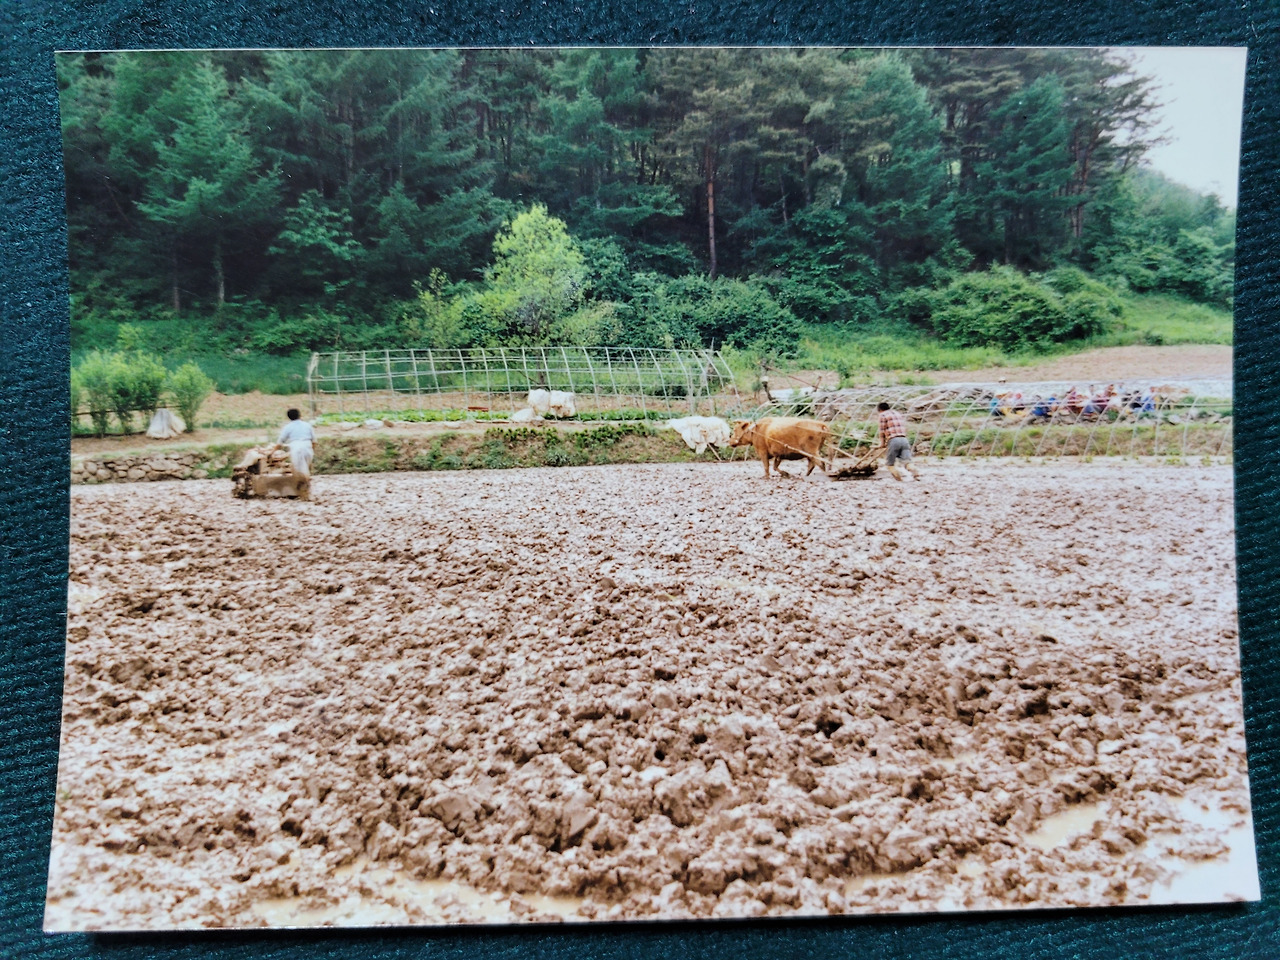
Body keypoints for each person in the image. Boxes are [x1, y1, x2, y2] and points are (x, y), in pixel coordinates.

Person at [876, 401, 921, 481]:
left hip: (893, 440)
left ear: (880, 409)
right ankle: (916, 474)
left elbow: (882, 431)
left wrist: (882, 443)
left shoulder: (882, 415)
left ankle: (900, 481)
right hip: (904, 440)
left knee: (890, 465)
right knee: (907, 462)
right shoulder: (897, 413)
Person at [274, 408, 316, 482]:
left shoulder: (288, 427)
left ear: (289, 417)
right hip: (307, 446)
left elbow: (280, 442)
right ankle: (306, 487)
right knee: (306, 468)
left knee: (298, 470)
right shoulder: (307, 425)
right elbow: (314, 442)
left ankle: (300, 489)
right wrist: (311, 450)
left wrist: (272, 452)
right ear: (300, 415)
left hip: (296, 447)